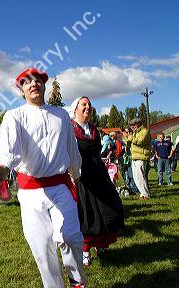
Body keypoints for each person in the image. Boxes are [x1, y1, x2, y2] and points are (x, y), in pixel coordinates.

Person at [0, 68, 86, 288]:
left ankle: (77, 281)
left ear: (44, 85)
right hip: (30, 192)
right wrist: (5, 165)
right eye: (27, 82)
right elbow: (10, 150)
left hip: (61, 187)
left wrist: (77, 174)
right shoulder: (14, 116)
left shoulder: (61, 115)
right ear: (22, 90)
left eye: (37, 81)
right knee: (42, 248)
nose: (33, 84)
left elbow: (71, 149)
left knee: (70, 236)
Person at [69, 97, 124, 266]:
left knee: (107, 208)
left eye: (89, 105)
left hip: (98, 174)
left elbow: (98, 151)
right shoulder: (70, 129)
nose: (88, 107)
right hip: (81, 176)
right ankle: (85, 250)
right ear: (75, 109)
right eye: (84, 104)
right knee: (86, 213)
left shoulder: (93, 129)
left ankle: (100, 244)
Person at [129, 118, 151, 199]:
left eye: (133, 125)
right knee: (136, 177)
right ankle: (143, 193)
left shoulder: (145, 131)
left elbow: (140, 141)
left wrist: (130, 137)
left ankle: (145, 194)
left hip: (141, 157)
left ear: (138, 124)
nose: (132, 127)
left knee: (140, 176)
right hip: (135, 157)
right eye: (131, 126)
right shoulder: (135, 133)